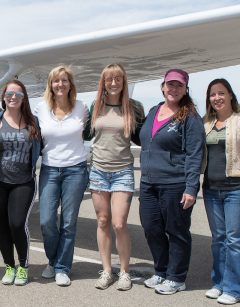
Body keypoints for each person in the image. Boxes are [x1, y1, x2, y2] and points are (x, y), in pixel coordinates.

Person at [138, 68, 205, 295]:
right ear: (163, 87)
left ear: (186, 89)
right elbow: (142, 137)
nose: (173, 89)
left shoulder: (190, 117)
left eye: (179, 85)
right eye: (170, 84)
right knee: (151, 228)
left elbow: (195, 154)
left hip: (175, 183)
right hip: (148, 183)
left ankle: (176, 277)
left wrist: (191, 188)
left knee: (176, 231)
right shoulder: (154, 110)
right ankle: (161, 270)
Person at [201, 79, 240, 305]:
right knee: (218, 239)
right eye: (212, 94)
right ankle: (219, 283)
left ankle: (235, 289)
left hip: (236, 189)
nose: (217, 98)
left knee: (235, 240)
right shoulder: (207, 123)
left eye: (221, 93)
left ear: (230, 96)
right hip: (211, 190)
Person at [87, 64, 145, 291]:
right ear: (103, 82)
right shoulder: (96, 106)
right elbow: (85, 133)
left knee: (119, 223)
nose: (113, 83)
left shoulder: (133, 108)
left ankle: (124, 272)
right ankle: (107, 271)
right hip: (99, 170)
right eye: (109, 79)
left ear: (124, 81)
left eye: (118, 79)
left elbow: (143, 137)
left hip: (122, 171)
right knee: (102, 221)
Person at [33, 65, 89, 287]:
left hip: (75, 169)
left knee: (68, 222)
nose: (60, 84)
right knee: (46, 220)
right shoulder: (41, 108)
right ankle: (53, 260)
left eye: (64, 80)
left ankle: (62, 267)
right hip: (49, 169)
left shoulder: (82, 108)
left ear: (70, 84)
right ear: (51, 84)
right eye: (56, 81)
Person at [0, 80, 41, 286]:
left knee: (17, 223)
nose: (13, 97)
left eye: (18, 94)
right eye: (9, 93)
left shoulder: (33, 122)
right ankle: (9, 266)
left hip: (23, 181)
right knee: (2, 227)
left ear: (24, 97)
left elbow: (43, 148)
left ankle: (23, 266)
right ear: (3, 96)